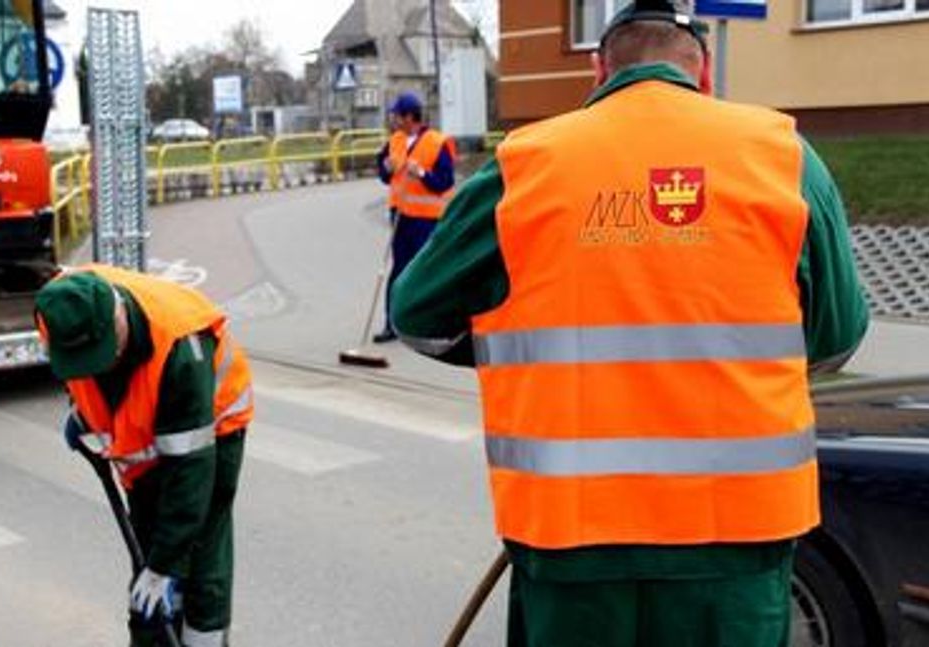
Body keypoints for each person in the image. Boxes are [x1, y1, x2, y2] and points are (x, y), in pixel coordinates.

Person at [390, 1, 868, 645]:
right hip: (737, 534)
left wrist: (522, 344)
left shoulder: (527, 164)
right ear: (702, 75)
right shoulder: (784, 157)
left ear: (598, 70)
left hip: (573, 532)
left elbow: (416, 314)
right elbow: (837, 336)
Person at [34, 264, 253, 647]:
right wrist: (82, 413)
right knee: (149, 548)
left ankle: (204, 638)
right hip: (146, 439)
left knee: (198, 546)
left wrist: (165, 568)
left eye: (101, 355)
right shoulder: (60, 308)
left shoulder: (182, 346)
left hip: (212, 431)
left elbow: (190, 475)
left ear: (118, 321)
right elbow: (82, 374)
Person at [372, 91, 457, 343]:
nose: (394, 120)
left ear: (411, 117)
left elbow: (444, 182)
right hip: (399, 216)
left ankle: (430, 324)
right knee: (398, 269)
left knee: (425, 270)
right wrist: (386, 169)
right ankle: (392, 324)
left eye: (397, 115)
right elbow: (385, 175)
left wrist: (419, 172)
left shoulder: (438, 142)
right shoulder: (394, 141)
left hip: (427, 219)